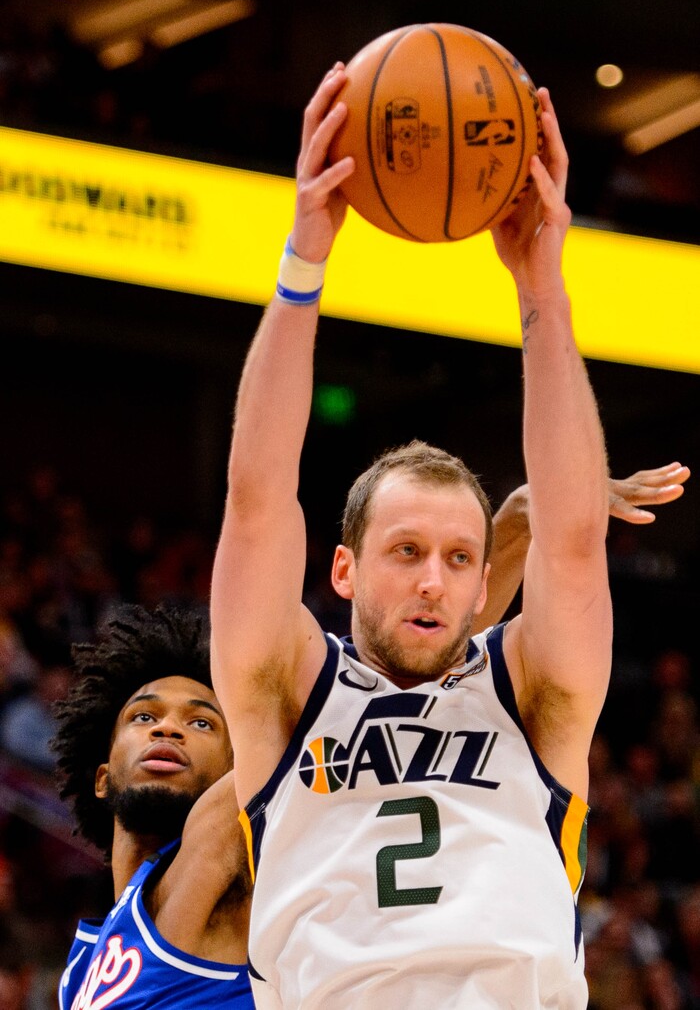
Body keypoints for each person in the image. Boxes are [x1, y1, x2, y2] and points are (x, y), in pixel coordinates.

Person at [210, 68, 690, 1008]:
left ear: (483, 587)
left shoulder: (533, 693)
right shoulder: (286, 688)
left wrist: (541, 285)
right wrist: (307, 253)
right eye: (405, 551)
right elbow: (257, 498)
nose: (434, 581)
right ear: (342, 569)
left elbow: (572, 544)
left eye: (460, 558)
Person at [52, 603, 254, 1010]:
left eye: (202, 723)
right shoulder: (78, 974)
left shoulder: (227, 877)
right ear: (102, 778)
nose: (167, 728)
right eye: (143, 716)